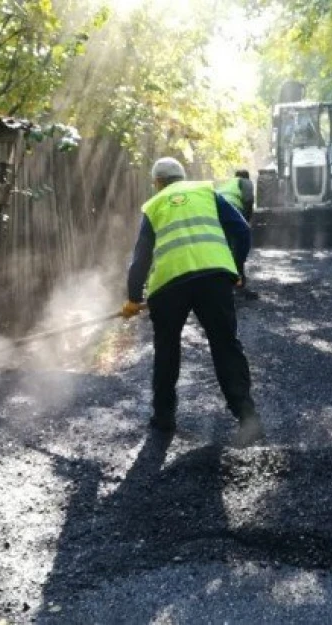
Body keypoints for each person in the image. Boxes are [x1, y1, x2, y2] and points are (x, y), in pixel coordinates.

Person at [122, 157, 265, 447]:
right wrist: (236, 268)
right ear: (183, 177)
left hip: (169, 285)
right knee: (225, 344)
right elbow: (242, 230)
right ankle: (247, 416)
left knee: (167, 349)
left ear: (157, 183)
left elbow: (141, 259)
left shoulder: (154, 206)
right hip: (214, 277)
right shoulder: (206, 193)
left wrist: (133, 298)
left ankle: (164, 420)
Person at [215, 170, 259, 301]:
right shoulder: (245, 182)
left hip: (215, 212)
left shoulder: (226, 184)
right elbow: (248, 199)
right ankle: (239, 284)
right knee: (239, 247)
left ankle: (224, 285)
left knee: (225, 248)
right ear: (246, 177)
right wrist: (247, 220)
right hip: (231, 210)